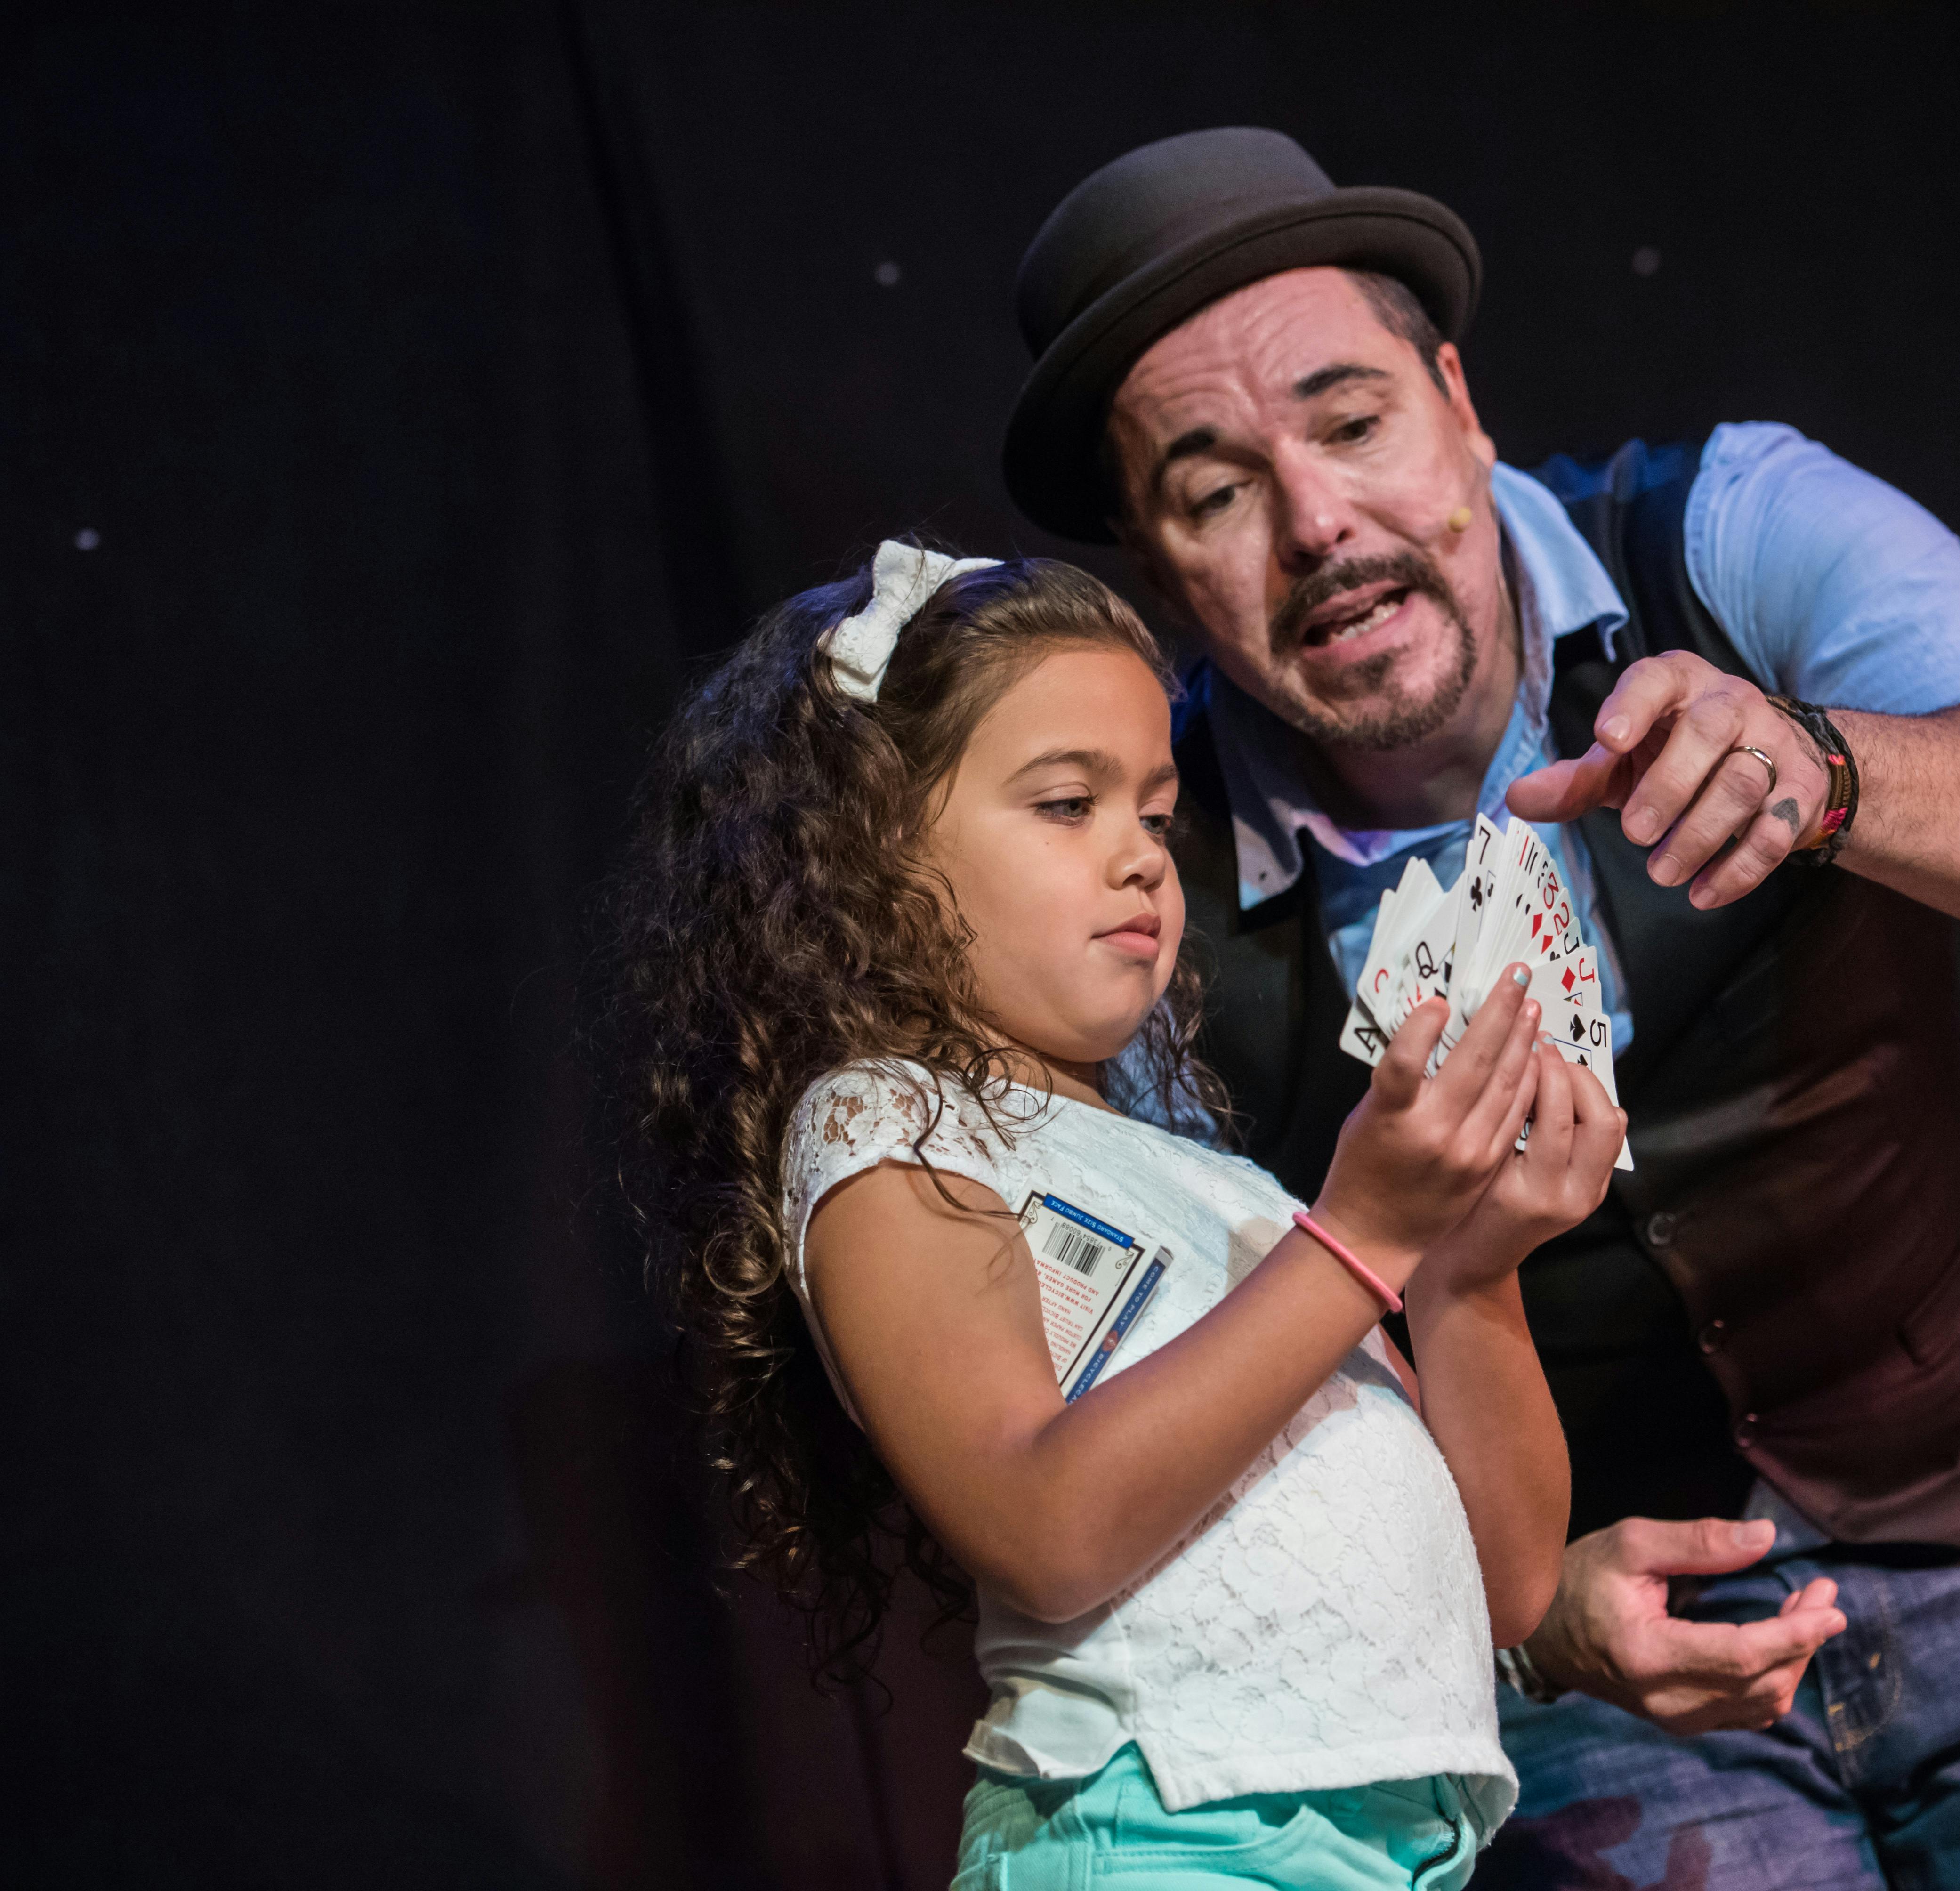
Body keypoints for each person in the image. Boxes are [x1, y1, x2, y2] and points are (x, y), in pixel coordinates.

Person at [992, 129, 1960, 1885]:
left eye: (1353, 422)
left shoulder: (1730, 530)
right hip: (1590, 1670)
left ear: (1459, 405)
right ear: (1157, 572)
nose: (1318, 524)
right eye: (1217, 492)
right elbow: (1183, 1436)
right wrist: (1529, 1627)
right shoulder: (1141, 876)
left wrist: (1829, 772)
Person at [614, 546, 1629, 1888]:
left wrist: (1469, 1273)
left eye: (1155, 814)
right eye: (1067, 804)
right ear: (870, 849)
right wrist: (1366, 1236)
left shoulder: (1232, 1194)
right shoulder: (887, 1125)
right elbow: (1047, 1528)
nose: (1143, 858)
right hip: (1162, 1837)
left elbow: (1501, 1588)